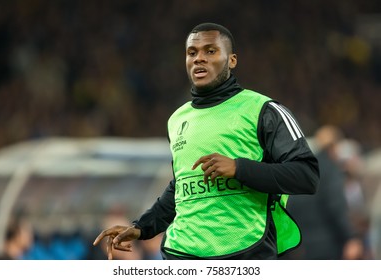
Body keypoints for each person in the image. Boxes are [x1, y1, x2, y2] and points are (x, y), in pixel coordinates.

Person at [93, 22, 319, 260]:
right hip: (181, 253)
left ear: (232, 60)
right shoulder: (177, 119)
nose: (199, 58)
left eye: (210, 51)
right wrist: (142, 227)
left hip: (244, 252)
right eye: (192, 52)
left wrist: (239, 168)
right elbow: (182, 187)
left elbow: (307, 175)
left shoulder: (264, 110)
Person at [285, 125, 363, 260]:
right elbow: (336, 206)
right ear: (335, 146)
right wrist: (351, 237)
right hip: (328, 243)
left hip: (300, 246)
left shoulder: (303, 168)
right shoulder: (330, 169)